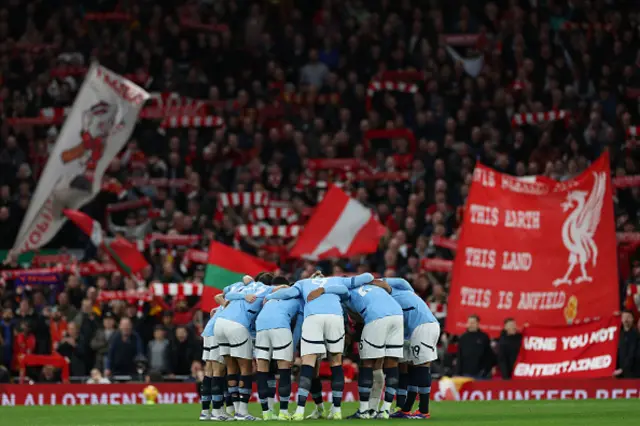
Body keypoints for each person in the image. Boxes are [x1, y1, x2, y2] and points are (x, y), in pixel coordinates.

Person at [266, 271, 373, 421]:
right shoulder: (337, 281)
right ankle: (336, 411)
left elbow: (287, 293)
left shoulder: (303, 283)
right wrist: (328, 289)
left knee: (308, 362)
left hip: (313, 318)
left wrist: (269, 296)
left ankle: (299, 411)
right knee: (336, 362)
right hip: (335, 317)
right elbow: (368, 277)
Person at [376, 278, 440, 419]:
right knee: (410, 367)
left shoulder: (396, 294)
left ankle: (424, 411)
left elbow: (400, 281)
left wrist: (380, 280)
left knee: (421, 366)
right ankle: (406, 409)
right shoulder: (400, 294)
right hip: (413, 331)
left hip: (424, 326)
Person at [342, 277, 403, 419]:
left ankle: (364, 411)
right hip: (398, 316)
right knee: (391, 363)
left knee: (367, 363)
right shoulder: (373, 287)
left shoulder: (346, 295)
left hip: (376, 317)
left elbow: (355, 317)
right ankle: (385, 410)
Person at [214, 276, 274, 420]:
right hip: (237, 326)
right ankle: (243, 411)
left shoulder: (238, 287)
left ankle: (231, 410)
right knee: (246, 368)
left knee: (231, 368)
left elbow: (224, 294)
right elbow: (282, 288)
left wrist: (243, 292)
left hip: (219, 323)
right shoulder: (266, 289)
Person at [254, 275, 303, 420]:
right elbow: (298, 327)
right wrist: (293, 348)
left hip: (261, 325)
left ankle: (266, 413)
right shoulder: (299, 299)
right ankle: (283, 411)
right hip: (280, 325)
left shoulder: (270, 297)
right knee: (284, 368)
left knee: (262, 368)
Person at [455, 315, 494, 379]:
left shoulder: (484, 337)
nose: (471, 324)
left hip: (481, 373)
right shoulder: (463, 337)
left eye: (473, 322)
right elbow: (459, 356)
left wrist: (487, 369)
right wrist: (457, 372)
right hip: (466, 373)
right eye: (469, 322)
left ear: (477, 324)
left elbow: (489, 355)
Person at [614, 310, 639, 378]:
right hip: (619, 374)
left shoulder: (636, 335)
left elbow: (632, 354)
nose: (626, 319)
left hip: (632, 374)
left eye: (628, 317)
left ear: (632, 319)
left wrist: (622, 369)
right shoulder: (618, 334)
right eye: (624, 317)